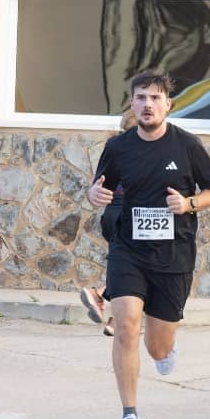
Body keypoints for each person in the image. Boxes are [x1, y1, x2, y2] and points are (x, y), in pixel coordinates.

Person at [87, 69, 210, 419]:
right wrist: (94, 195)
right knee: (126, 324)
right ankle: (129, 417)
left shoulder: (187, 146)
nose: (148, 104)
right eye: (141, 97)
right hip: (128, 250)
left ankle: (165, 350)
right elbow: (99, 189)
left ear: (168, 104)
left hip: (173, 254)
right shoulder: (118, 148)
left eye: (155, 98)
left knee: (156, 345)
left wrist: (189, 203)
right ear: (132, 103)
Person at [80, 108, 138, 337]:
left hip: (111, 215)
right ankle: (101, 295)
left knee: (128, 268)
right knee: (141, 270)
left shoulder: (115, 148)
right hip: (130, 215)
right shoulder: (145, 149)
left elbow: (100, 183)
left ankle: (114, 317)